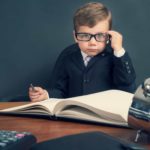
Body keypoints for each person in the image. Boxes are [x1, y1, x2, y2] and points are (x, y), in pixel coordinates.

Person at [29, 2, 136, 102]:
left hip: (105, 116)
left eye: (100, 36)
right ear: (75, 36)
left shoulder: (115, 56)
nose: (92, 42)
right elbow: (60, 90)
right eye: (85, 36)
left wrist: (119, 50)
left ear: (109, 35)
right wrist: (46, 94)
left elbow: (127, 85)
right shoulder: (67, 55)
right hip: (74, 115)